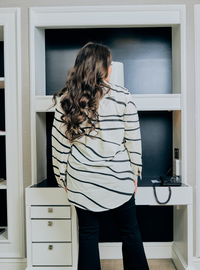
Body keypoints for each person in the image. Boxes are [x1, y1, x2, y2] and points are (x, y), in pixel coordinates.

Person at [52, 42, 149, 270]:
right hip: (119, 180)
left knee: (87, 236)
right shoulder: (124, 96)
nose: (112, 68)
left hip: (82, 182)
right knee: (130, 233)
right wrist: (135, 174)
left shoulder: (66, 100)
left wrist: (62, 179)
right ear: (103, 67)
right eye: (110, 63)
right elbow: (133, 141)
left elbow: (60, 148)